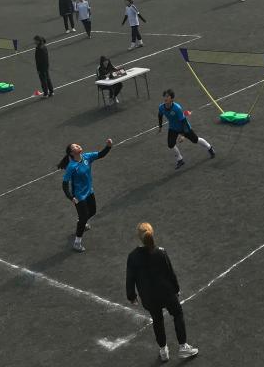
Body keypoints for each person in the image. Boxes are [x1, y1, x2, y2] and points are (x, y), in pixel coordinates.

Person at [126, 222, 199, 362]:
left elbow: (130, 278)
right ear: (151, 234)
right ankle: (183, 346)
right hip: (167, 293)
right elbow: (170, 273)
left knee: (157, 320)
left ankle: (163, 351)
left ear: (138, 237)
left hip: (149, 298)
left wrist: (132, 296)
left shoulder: (132, 256)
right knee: (177, 314)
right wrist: (176, 289)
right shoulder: (160, 252)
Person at [58, 138, 112, 252]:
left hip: (89, 191)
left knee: (93, 211)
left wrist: (108, 146)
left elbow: (101, 154)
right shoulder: (72, 167)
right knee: (83, 218)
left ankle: (81, 221)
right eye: (75, 147)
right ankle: (77, 243)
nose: (78, 146)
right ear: (72, 153)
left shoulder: (87, 157)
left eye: (77, 145)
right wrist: (71, 197)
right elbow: (64, 184)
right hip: (79, 196)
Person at [158, 89, 215, 169]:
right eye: (165, 96)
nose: (165, 98)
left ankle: (209, 148)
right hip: (173, 128)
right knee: (170, 144)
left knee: (195, 140)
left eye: (167, 96)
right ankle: (180, 159)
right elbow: (160, 115)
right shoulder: (161, 107)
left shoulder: (177, 108)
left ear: (172, 98)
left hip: (183, 127)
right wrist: (160, 126)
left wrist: (183, 135)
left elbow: (184, 122)